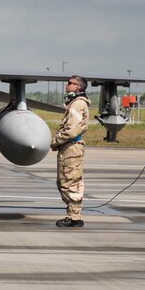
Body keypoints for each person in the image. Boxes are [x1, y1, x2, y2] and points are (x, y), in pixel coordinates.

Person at [51, 74, 90, 228]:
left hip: (71, 146)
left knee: (70, 181)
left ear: (78, 87)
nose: (67, 86)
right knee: (65, 180)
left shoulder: (77, 104)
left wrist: (56, 141)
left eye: (70, 83)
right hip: (69, 146)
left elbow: (72, 130)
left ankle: (74, 217)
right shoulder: (75, 103)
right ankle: (73, 215)